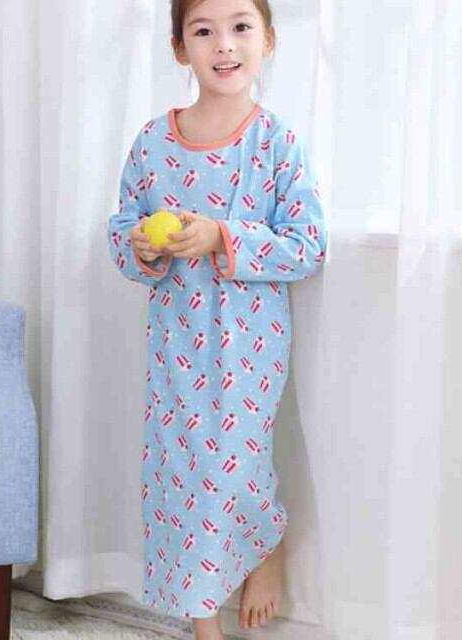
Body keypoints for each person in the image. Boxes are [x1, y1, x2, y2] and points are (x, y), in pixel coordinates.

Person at [107, 0, 328, 637]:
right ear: (181, 48)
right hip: (173, 340)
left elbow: (308, 245)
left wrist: (223, 236)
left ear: (268, 40)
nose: (224, 44)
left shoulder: (277, 143)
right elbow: (122, 231)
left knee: (233, 464)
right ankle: (205, 624)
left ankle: (265, 541)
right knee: (177, 476)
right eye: (203, 31)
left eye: (240, 27)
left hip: (248, 343)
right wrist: (142, 246)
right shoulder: (152, 143)